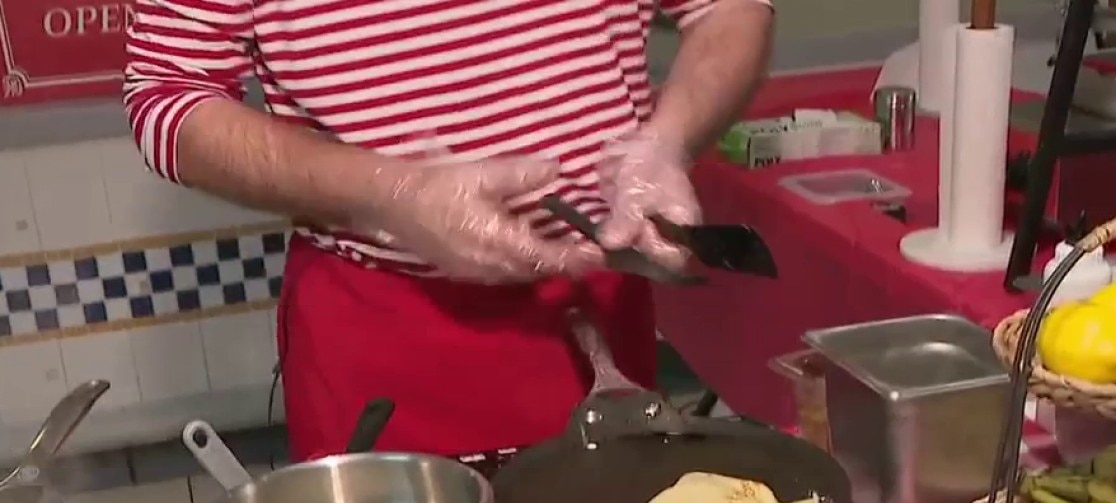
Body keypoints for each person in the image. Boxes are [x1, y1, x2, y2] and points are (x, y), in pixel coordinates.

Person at [124, 0, 774, 460]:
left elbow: (730, 9)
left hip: (596, 311)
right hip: (383, 335)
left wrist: (668, 141)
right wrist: (393, 193)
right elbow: (167, 95)